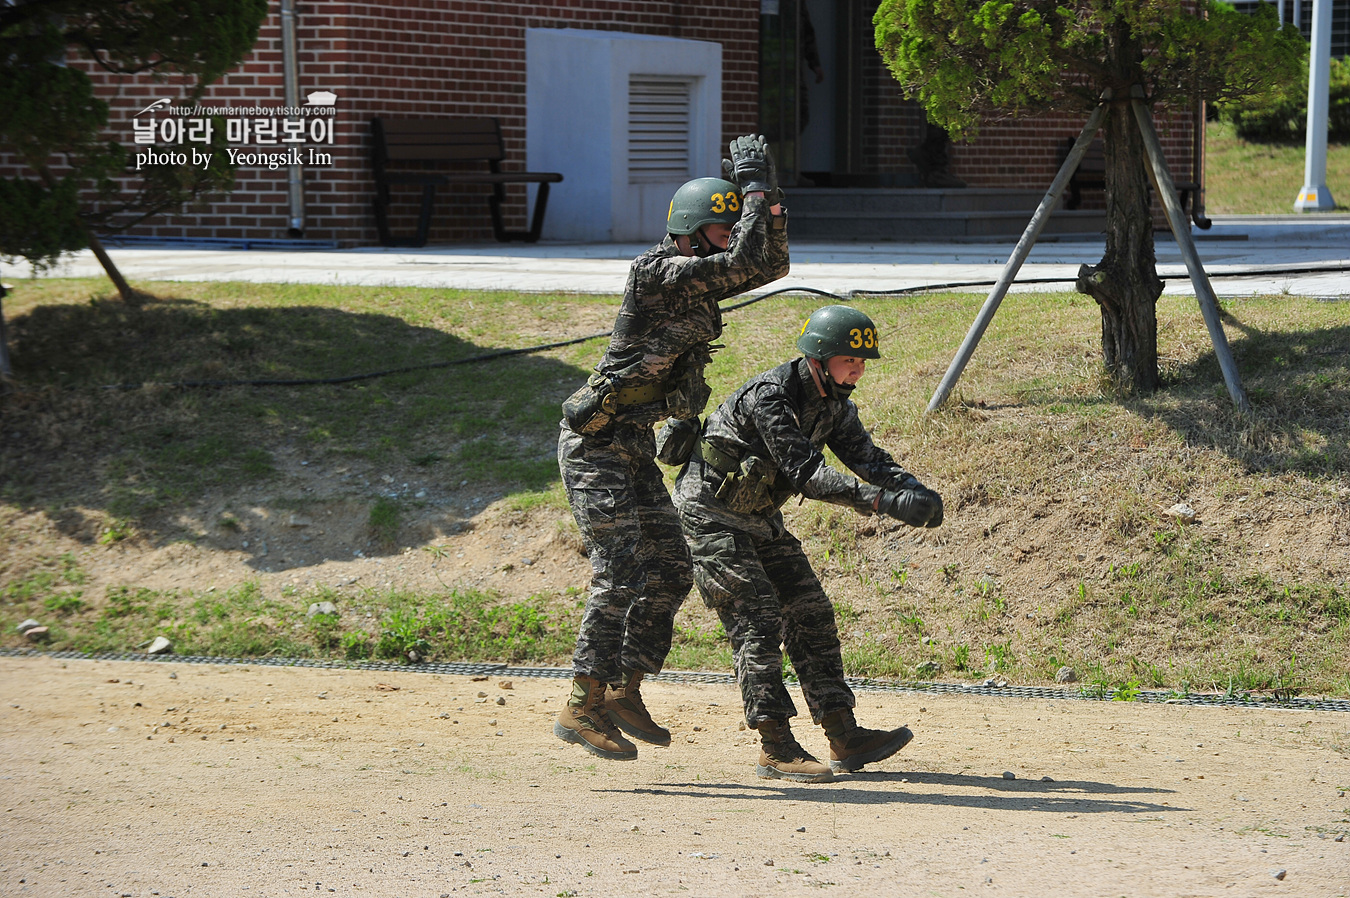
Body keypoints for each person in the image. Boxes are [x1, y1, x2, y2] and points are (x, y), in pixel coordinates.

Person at [553, 135, 790, 762]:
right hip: (594, 443)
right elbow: (743, 264)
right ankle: (582, 702)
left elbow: (769, 267)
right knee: (621, 567)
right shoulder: (658, 272)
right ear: (688, 235)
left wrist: (767, 202)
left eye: (727, 229)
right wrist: (754, 192)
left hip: (631, 440)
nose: (726, 241)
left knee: (671, 566)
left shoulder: (701, 282)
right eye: (718, 229)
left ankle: (624, 688)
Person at [672, 305, 944, 782]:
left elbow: (868, 459)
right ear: (819, 358)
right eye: (848, 359)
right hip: (710, 516)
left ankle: (844, 734)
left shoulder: (836, 404)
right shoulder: (771, 397)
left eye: (862, 362)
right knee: (757, 617)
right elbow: (808, 475)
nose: (857, 369)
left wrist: (913, 490)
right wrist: (883, 504)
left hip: (757, 517)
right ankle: (775, 745)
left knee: (810, 609)